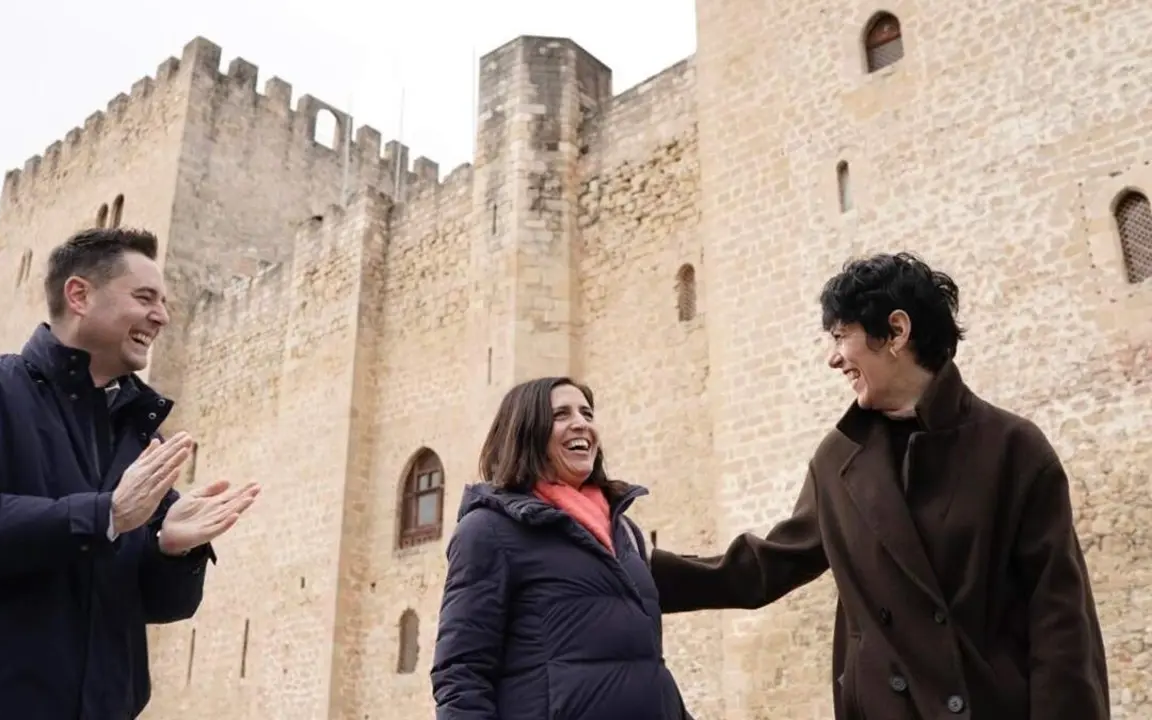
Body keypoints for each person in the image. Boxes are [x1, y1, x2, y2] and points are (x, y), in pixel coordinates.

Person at [649, 252, 1109, 720]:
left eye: (840, 336)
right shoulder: (837, 461)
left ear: (896, 331)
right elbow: (767, 566)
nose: (833, 359)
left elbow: (1062, 625)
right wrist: (630, 569)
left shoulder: (1015, 449)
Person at [0, 227, 261, 720]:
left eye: (163, 302)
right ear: (79, 295)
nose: (162, 316)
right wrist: (106, 515)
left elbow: (157, 605)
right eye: (144, 298)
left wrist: (171, 551)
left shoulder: (139, 440)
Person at [431, 377, 692, 720]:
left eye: (587, 413)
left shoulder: (624, 533)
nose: (581, 423)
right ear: (526, 431)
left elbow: (646, 665)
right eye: (561, 414)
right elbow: (461, 674)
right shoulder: (488, 530)